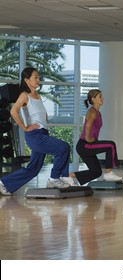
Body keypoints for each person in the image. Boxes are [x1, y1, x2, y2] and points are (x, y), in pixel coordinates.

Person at [0, 67, 72, 196]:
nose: (38, 79)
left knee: (33, 169)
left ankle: (4, 183)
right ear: (26, 80)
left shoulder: (37, 96)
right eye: (35, 77)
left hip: (42, 134)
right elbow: (13, 111)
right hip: (34, 135)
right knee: (63, 147)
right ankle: (56, 178)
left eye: (38, 77)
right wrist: (25, 128)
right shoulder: (24, 95)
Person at [62, 89, 123, 186]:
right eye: (100, 96)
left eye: (102, 96)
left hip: (85, 146)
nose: (102, 98)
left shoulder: (98, 113)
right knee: (111, 145)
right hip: (85, 145)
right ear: (93, 99)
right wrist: (88, 138)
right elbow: (88, 125)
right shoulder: (92, 111)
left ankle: (69, 176)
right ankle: (109, 173)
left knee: (96, 172)